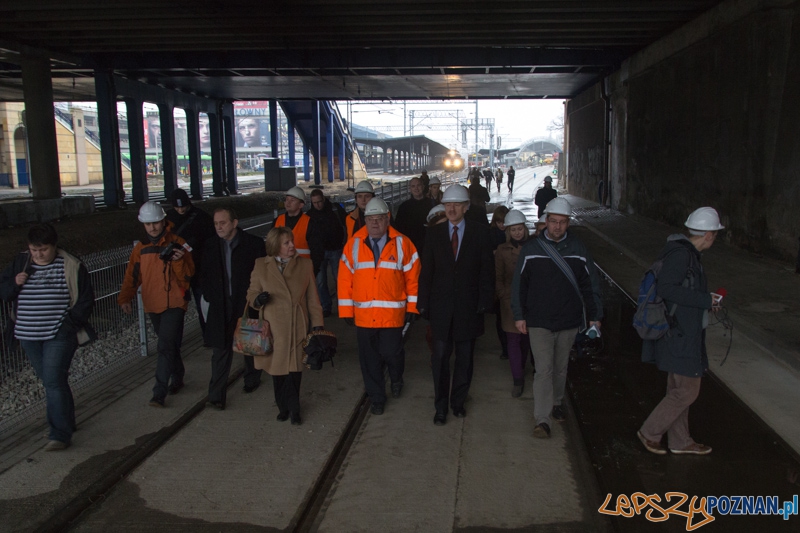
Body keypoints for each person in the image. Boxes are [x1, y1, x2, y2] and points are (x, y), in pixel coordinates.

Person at [511, 197, 603, 438]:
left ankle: (557, 401)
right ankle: (542, 420)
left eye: (562, 222)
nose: (557, 227)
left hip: (569, 319)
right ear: (546, 221)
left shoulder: (579, 249)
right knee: (544, 369)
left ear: (568, 223)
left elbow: (590, 284)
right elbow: (519, 285)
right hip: (539, 320)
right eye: (553, 222)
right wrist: (519, 315)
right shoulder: (531, 250)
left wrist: (595, 316)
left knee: (560, 367)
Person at [637, 207, 724, 456]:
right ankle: (650, 432)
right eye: (714, 235)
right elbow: (667, 289)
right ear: (708, 235)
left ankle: (680, 441)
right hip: (679, 334)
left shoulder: (684, 253)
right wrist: (706, 301)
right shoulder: (682, 256)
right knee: (687, 391)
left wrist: (706, 300)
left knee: (677, 390)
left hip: (681, 331)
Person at [0, 224, 95, 451]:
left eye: (43, 249)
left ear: (54, 246)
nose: (38, 254)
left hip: (58, 333)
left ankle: (59, 434)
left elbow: (85, 300)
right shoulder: (20, 263)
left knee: (52, 380)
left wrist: (68, 326)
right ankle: (67, 422)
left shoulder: (71, 265)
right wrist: (15, 283)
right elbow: (3, 292)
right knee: (53, 381)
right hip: (27, 334)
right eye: (34, 250)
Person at [418, 184, 495, 426]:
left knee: (465, 358)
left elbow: (487, 272)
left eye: (456, 205)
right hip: (440, 309)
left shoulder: (481, 233)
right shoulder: (433, 235)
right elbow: (426, 272)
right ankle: (440, 406)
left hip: (468, 308)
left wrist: (484, 302)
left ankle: (458, 402)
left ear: (466, 207)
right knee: (440, 358)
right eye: (448, 204)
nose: (451, 209)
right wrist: (423, 303)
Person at [338, 198, 420, 415]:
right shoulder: (353, 244)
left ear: (387, 219)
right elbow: (345, 280)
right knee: (369, 360)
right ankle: (377, 397)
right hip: (364, 317)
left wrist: (413, 308)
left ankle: (396, 378)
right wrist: (346, 310)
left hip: (392, 315)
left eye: (379, 219)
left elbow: (413, 279)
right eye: (370, 219)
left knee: (392, 354)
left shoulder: (403, 244)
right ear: (365, 220)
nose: (374, 224)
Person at [119, 201, 195, 408]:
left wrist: (179, 261)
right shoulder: (140, 249)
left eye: (156, 223)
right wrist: (125, 297)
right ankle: (178, 375)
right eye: (148, 224)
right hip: (153, 303)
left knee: (164, 347)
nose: (152, 228)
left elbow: (188, 275)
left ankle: (159, 393)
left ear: (163, 221)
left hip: (175, 303)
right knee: (169, 345)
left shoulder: (178, 243)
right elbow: (132, 276)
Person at [247, 227, 324, 425]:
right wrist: (258, 299)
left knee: (295, 370)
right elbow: (251, 293)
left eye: (292, 241)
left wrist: (317, 325)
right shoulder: (261, 265)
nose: (292, 245)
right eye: (286, 243)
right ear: (275, 246)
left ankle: (294, 408)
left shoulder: (305, 265)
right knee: (277, 371)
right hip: (273, 327)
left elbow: (313, 299)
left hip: (297, 324)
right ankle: (282, 406)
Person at [201, 208, 267, 409]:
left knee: (249, 346)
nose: (219, 227)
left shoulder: (253, 244)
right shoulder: (210, 246)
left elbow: (263, 274)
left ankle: (252, 379)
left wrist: (257, 299)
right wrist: (210, 296)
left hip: (246, 303)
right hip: (221, 306)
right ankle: (216, 397)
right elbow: (203, 274)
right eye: (216, 224)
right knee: (220, 352)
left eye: (223, 223)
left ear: (234, 223)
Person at [166, 189, 215, 334]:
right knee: (177, 306)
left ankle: (208, 334)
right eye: (177, 207)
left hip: (199, 267)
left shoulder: (201, 218)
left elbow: (211, 243)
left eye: (183, 206)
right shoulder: (168, 218)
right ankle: (175, 338)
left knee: (203, 303)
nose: (181, 210)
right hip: (178, 269)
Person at [495, 210, 532, 397]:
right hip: (510, 301)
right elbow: (498, 277)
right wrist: (503, 295)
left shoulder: (534, 247)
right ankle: (517, 379)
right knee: (513, 339)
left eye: (520, 228)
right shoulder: (502, 250)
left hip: (530, 300)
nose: (517, 232)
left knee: (525, 338)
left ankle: (521, 367)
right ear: (508, 231)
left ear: (524, 229)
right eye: (513, 229)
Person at [308, 189, 346, 317]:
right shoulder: (309, 216)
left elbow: (346, 224)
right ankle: (326, 307)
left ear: (323, 199)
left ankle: (343, 306)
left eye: (319, 201)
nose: (317, 205)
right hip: (319, 253)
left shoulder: (335, 210)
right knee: (320, 281)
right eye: (314, 203)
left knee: (339, 280)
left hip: (336, 250)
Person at [274, 186, 323, 275]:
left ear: (301, 205)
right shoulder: (277, 221)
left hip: (302, 272)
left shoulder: (310, 223)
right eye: (287, 200)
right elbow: (271, 247)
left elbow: (317, 252)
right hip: (280, 271)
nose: (288, 203)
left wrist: (312, 272)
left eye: (292, 200)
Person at [489, 206, 510, 360]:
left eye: (503, 222)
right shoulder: (490, 235)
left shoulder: (513, 235)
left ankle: (509, 346)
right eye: (499, 222)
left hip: (509, 279)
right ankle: (505, 348)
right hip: (497, 280)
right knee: (500, 316)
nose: (501, 225)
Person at [393, 177, 432, 254]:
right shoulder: (404, 207)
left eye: (418, 185)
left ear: (423, 187)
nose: (416, 188)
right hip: (410, 246)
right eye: (413, 186)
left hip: (429, 246)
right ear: (410, 189)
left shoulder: (432, 204)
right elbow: (398, 228)